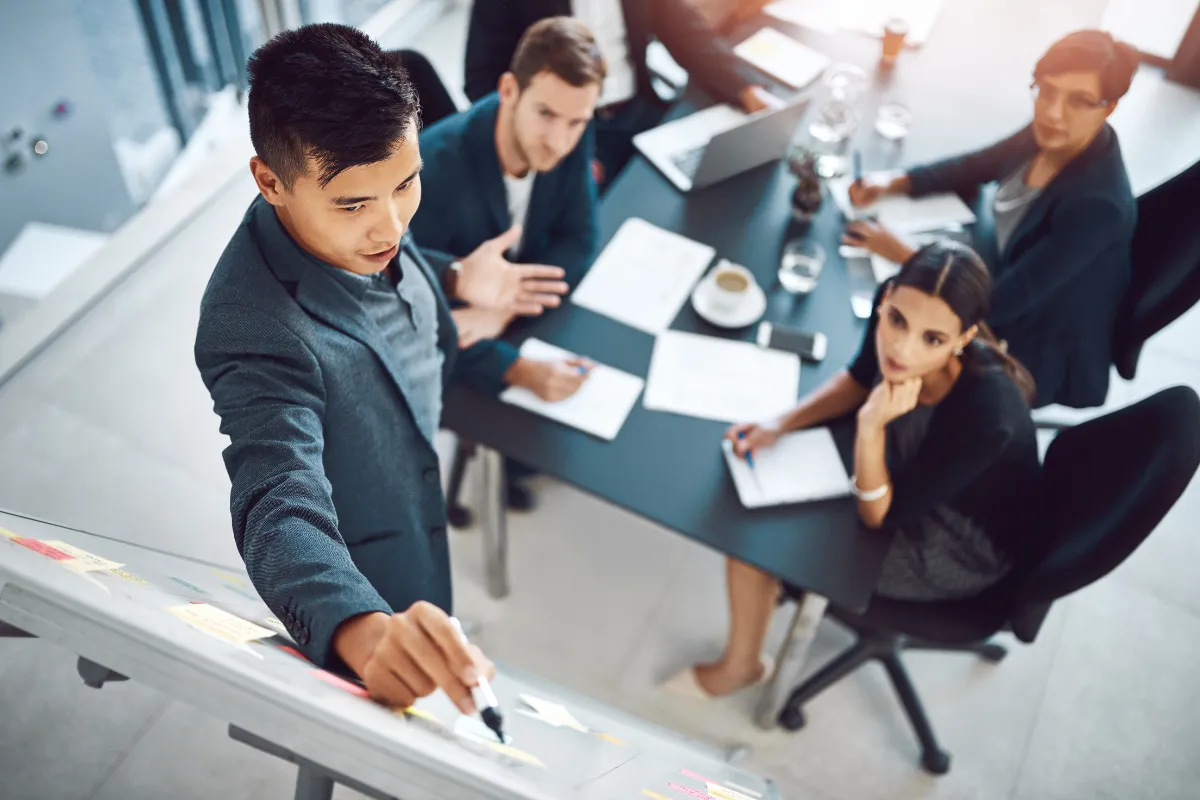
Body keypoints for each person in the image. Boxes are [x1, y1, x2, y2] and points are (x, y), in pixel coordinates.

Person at [194, 24, 571, 712]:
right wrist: (362, 632)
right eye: (354, 204)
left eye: (407, 184)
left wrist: (454, 280)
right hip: (379, 551)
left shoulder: (368, 206)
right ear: (270, 181)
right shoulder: (249, 327)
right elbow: (275, 498)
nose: (391, 228)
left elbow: (390, 252)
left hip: (417, 431)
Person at [667, 243, 1042, 698]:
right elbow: (860, 378)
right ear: (887, 300)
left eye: (933, 339)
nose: (901, 348)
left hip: (952, 540)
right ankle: (769, 597)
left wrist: (871, 426)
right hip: (907, 467)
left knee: (759, 543)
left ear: (964, 340)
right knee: (757, 503)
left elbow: (881, 514)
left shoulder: (988, 418)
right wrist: (779, 422)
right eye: (896, 320)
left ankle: (741, 665)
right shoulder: (891, 308)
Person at [844, 30, 1139, 410]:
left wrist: (907, 256)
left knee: (895, 342)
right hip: (1000, 272)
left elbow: (1000, 303)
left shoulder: (1099, 207)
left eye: (1078, 101)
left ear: (1109, 107)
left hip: (1032, 340)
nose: (1052, 111)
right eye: (1046, 91)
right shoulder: (1052, 133)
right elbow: (976, 165)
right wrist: (895, 182)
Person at [407, 17, 605, 510]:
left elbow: (580, 239)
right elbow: (403, 313)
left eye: (576, 123)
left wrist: (504, 308)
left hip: (503, 317)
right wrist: (517, 370)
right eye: (546, 115)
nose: (559, 141)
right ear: (509, 89)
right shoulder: (430, 171)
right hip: (447, 343)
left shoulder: (571, 127)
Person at [464, 0, 781, 185]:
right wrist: (554, 145)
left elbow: (685, 29)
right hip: (572, 131)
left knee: (723, 178)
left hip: (640, 106)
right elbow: (480, 79)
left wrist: (744, 87)